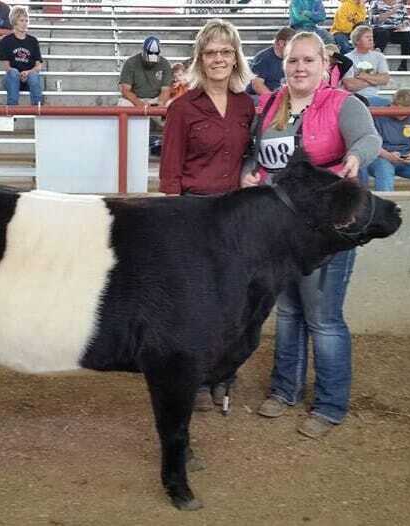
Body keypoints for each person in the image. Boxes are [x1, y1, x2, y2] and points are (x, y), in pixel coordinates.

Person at [242, 32, 381, 439]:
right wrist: (248, 173)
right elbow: (256, 155)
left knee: (323, 318)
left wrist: (356, 156)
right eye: (293, 62)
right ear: (283, 64)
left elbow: (368, 138)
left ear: (324, 65)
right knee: (287, 312)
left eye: (308, 61)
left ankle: (329, 404)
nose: (299, 68)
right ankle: (284, 390)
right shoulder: (269, 106)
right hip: (283, 230)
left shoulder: (343, 104)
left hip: (328, 228)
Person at [159, 19, 254, 412]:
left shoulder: (248, 106)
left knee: (233, 303)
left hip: (236, 218)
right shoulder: (182, 107)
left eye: (226, 52)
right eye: (211, 52)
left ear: (236, 57)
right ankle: (194, 379)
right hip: (194, 216)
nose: (219, 59)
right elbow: (170, 170)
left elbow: (254, 155)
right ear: (200, 58)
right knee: (196, 303)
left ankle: (224, 376)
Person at [365, 88, 410, 191]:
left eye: (406, 112)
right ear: (393, 105)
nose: (402, 115)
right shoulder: (378, 114)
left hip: (406, 156)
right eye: (399, 111)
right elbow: (372, 143)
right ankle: (387, 205)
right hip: (381, 156)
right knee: (384, 169)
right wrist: (388, 156)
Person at [0, 5, 43, 105]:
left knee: (34, 76)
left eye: (26, 21)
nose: (24, 23)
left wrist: (27, 72)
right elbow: (7, 67)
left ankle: (38, 109)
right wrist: (18, 74)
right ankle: (12, 110)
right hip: (12, 79)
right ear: (14, 22)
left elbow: (38, 66)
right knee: (13, 73)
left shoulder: (33, 41)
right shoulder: (6, 40)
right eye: (21, 20)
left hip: (29, 79)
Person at [342, 25, 391, 106]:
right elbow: (350, 85)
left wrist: (364, 76)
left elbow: (385, 79)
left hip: (374, 97)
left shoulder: (379, 57)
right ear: (357, 40)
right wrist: (374, 80)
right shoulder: (347, 58)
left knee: (388, 104)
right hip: (354, 98)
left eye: (371, 36)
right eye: (367, 37)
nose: (371, 39)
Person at [118, 36, 172, 108]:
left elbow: (165, 90)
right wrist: (139, 103)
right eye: (148, 60)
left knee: (170, 104)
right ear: (143, 52)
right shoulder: (131, 63)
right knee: (123, 104)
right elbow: (125, 90)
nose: (151, 63)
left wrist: (161, 102)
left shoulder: (164, 64)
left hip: (156, 99)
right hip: (135, 99)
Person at [247, 27, 296, 102]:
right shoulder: (263, 58)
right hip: (258, 96)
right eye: (292, 45)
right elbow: (257, 85)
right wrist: (274, 100)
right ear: (281, 43)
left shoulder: (291, 58)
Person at [370, 0, 410, 71]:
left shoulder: (400, 4)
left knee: (407, 34)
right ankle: (375, 61)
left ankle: (403, 64)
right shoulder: (376, 3)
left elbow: (406, 20)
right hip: (380, 29)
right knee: (383, 33)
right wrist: (392, 11)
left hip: (396, 30)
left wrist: (403, 25)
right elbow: (375, 20)